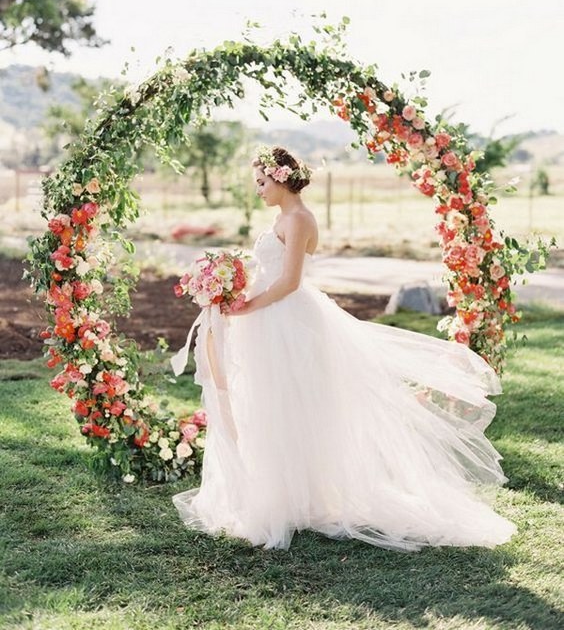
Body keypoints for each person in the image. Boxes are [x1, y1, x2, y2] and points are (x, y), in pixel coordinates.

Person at [172, 146, 516, 552]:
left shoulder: (299, 218)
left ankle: (299, 498)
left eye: (262, 182)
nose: (259, 190)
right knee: (272, 405)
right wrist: (231, 287)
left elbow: (290, 282)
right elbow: (268, 272)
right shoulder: (282, 217)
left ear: (280, 179)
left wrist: (246, 306)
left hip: (289, 320)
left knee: (293, 403)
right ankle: (284, 492)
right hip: (269, 319)